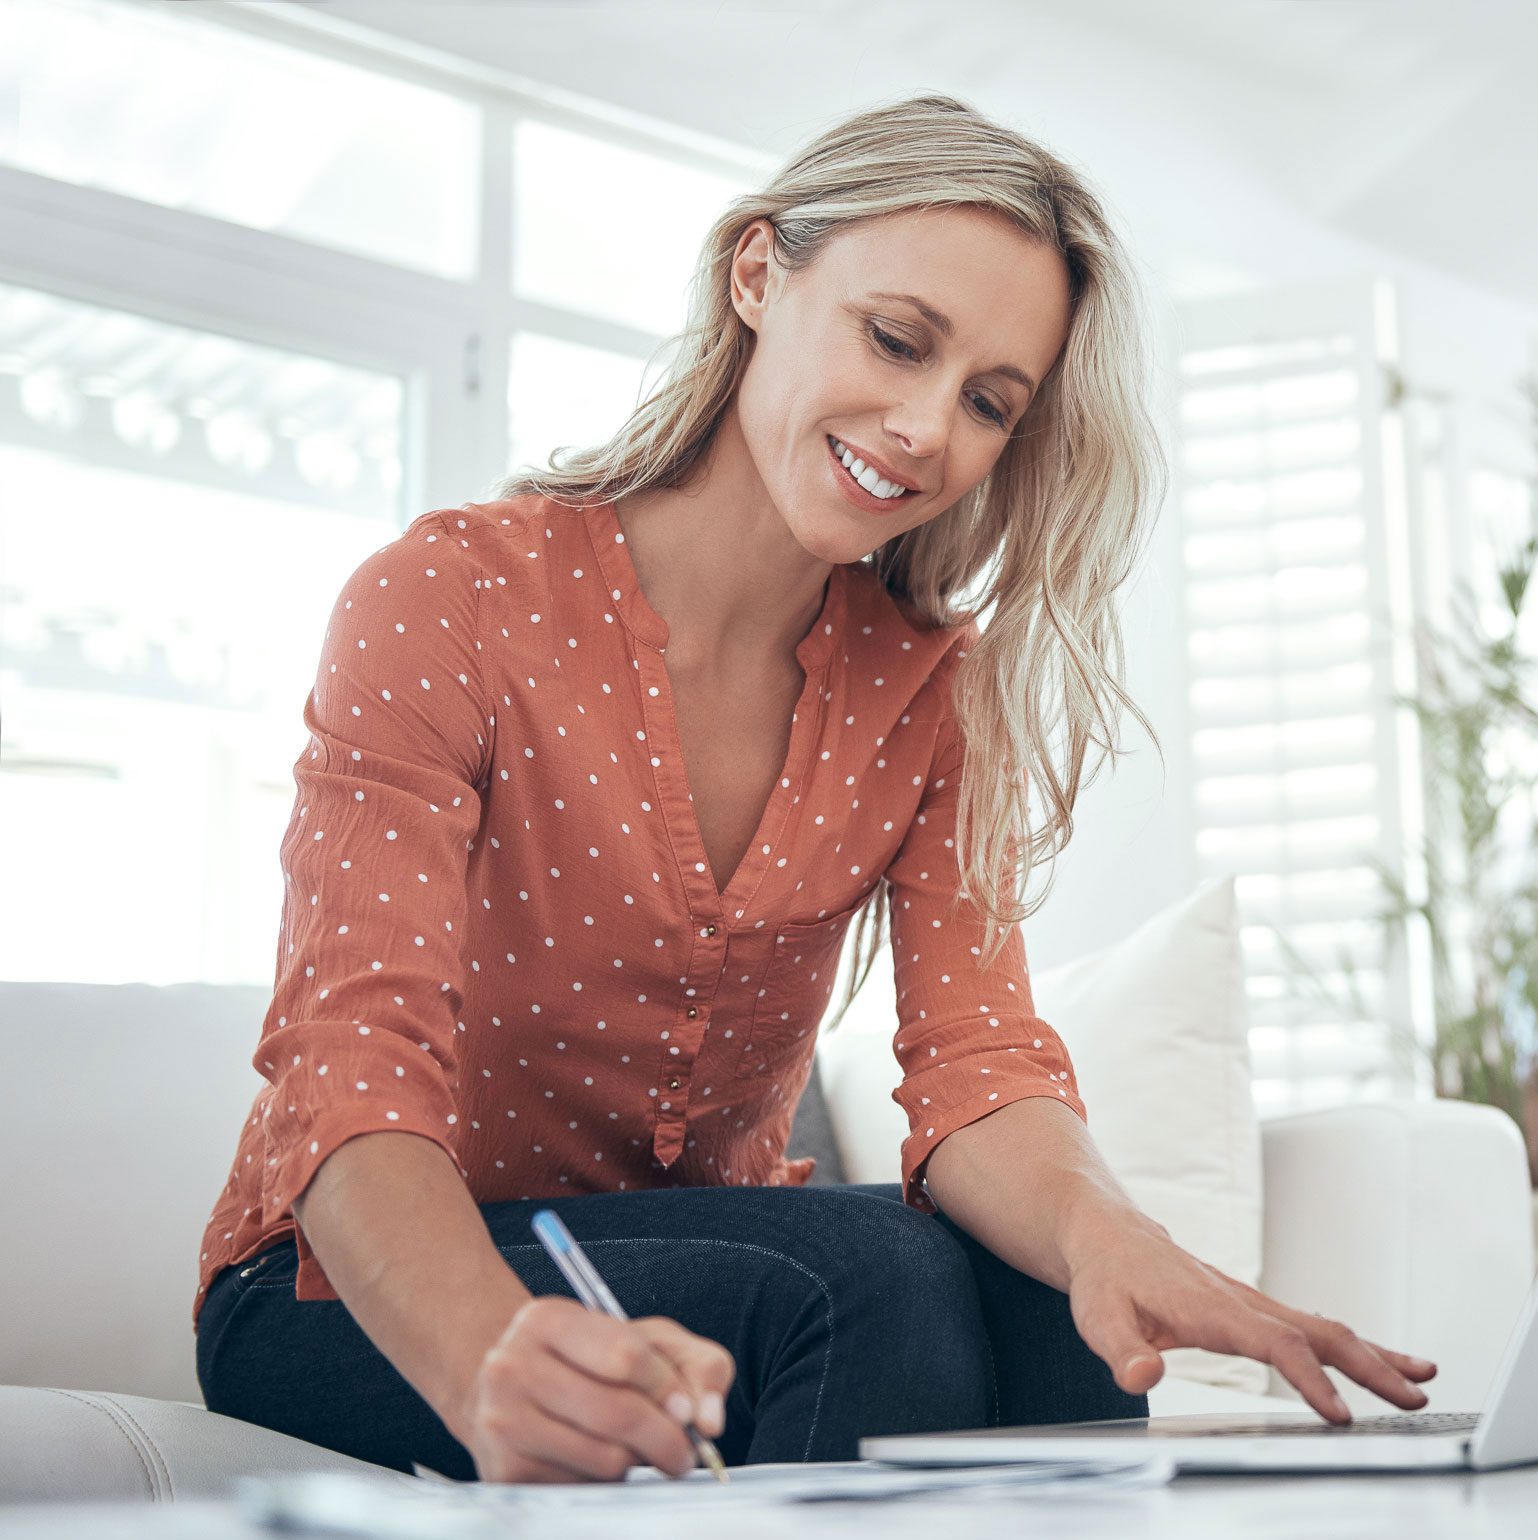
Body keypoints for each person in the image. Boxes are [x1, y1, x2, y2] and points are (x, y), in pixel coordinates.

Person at [192, 92, 1437, 1483]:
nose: (922, 430)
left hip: (706, 1270)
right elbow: (349, 1073)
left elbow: (977, 1070)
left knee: (1061, 1304)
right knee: (863, 1277)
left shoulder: (927, 696)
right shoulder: (450, 600)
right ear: (757, 272)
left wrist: (1120, 1243)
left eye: (986, 404)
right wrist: (490, 1348)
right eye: (896, 340)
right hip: (346, 1296)